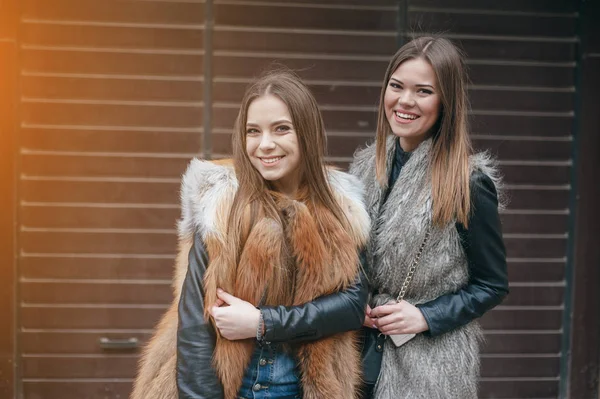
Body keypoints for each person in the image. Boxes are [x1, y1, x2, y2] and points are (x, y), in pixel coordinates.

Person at [130, 69, 371, 399]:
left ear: (307, 133)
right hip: (229, 389)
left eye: (281, 129)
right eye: (253, 131)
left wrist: (263, 323)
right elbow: (193, 327)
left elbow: (351, 306)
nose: (265, 144)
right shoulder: (221, 202)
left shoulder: (339, 206)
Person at [350, 36, 509, 398]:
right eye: (396, 86)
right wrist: (354, 303)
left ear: (445, 102)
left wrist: (426, 316)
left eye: (423, 91)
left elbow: (492, 284)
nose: (405, 101)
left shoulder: (468, 182)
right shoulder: (363, 167)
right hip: (357, 357)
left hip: (429, 370)